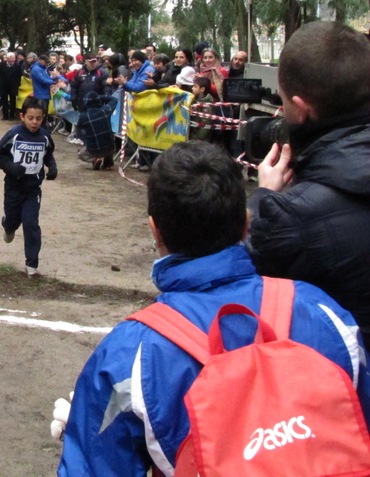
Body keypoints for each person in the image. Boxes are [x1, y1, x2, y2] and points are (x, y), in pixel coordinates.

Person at [58, 141, 370, 477]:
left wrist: (78, 432)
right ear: (246, 224)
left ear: (155, 230)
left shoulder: (129, 355)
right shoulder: (325, 314)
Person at [247, 21, 370, 342]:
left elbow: (238, 282)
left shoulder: (290, 217)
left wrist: (263, 200)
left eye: (283, 100)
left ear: (301, 110)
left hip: (344, 382)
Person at [0, 96, 57, 277]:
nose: (34, 122)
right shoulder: (14, 134)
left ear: (43, 117)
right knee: (13, 219)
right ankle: (8, 225)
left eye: (38, 118)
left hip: (32, 189)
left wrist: (52, 167)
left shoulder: (45, 136)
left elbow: (48, 154)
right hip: (13, 187)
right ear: (22, 116)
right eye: (30, 118)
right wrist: (11, 167)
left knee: (31, 223)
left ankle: (32, 264)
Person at [76, 91, 117, 170]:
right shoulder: (105, 110)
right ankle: (108, 163)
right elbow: (114, 100)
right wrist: (101, 96)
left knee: (81, 154)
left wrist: (86, 141)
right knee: (108, 139)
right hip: (110, 147)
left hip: (93, 149)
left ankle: (95, 160)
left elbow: (80, 131)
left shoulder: (83, 116)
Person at [0, 52, 24, 121]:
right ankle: (5, 116)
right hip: (4, 85)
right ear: (8, 58)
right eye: (12, 58)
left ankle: (12, 115)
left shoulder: (17, 66)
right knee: (4, 101)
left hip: (13, 86)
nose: (13, 60)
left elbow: (19, 76)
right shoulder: (2, 65)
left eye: (14, 58)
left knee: (13, 100)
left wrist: (17, 85)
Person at [188, 76, 213, 141]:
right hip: (192, 134)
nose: (192, 88)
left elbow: (206, 123)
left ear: (202, 89)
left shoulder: (207, 106)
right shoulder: (194, 99)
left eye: (195, 86)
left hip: (198, 138)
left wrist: (200, 138)